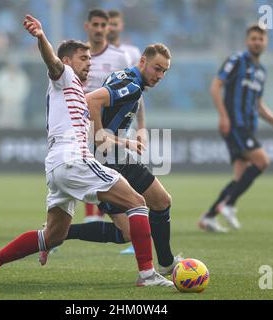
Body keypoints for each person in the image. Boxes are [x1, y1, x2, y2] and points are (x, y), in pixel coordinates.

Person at [0, 14, 172, 288]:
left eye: (90, 60)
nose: (89, 65)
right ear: (69, 61)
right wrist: (41, 37)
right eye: (84, 59)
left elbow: (94, 130)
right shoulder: (65, 76)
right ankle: (147, 274)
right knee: (138, 203)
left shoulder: (75, 96)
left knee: (53, 236)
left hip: (57, 167)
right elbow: (53, 62)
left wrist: (124, 142)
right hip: (74, 160)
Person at [65, 43, 183, 276]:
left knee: (146, 216)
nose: (160, 76)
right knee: (150, 212)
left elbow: (135, 98)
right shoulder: (131, 85)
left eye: (164, 71)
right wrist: (100, 136)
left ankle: (167, 263)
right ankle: (165, 264)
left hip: (115, 155)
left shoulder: (129, 79)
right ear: (142, 62)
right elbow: (91, 101)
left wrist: (140, 127)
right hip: (106, 159)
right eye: (157, 69)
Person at [198, 25, 273, 233]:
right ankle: (229, 204)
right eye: (253, 38)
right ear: (247, 41)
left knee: (239, 176)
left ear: (265, 43)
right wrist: (223, 116)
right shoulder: (236, 61)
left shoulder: (261, 71)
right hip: (235, 124)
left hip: (248, 126)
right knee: (262, 161)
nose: (257, 42)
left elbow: (258, 104)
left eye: (261, 39)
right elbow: (216, 86)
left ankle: (209, 217)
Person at [82, 9, 143, 223]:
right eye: (95, 25)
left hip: (112, 126)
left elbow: (136, 93)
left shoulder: (120, 57)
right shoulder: (80, 54)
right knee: (78, 172)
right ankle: (89, 218)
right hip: (82, 124)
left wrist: (141, 127)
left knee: (117, 171)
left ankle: (118, 219)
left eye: (103, 25)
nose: (100, 29)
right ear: (87, 26)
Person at [106, 9, 146, 255]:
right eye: (105, 23)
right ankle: (53, 233)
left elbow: (138, 94)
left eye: (113, 23)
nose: (109, 28)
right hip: (96, 126)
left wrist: (141, 128)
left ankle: (55, 233)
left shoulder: (129, 54)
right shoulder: (87, 53)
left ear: (120, 26)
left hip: (119, 128)